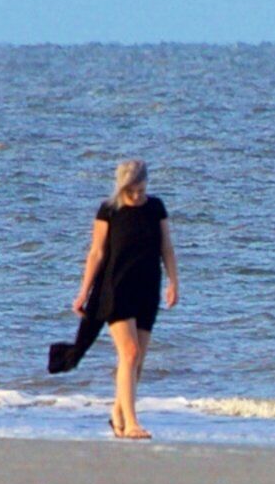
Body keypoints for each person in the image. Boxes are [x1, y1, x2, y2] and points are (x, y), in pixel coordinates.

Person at [48, 158, 180, 438]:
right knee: (129, 353)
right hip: (115, 288)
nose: (135, 196)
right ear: (121, 188)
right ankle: (131, 423)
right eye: (130, 191)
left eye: (140, 191)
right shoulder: (109, 210)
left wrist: (173, 283)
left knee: (138, 359)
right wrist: (83, 292)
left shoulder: (156, 208)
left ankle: (118, 414)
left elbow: (167, 248)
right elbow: (96, 253)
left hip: (147, 288)